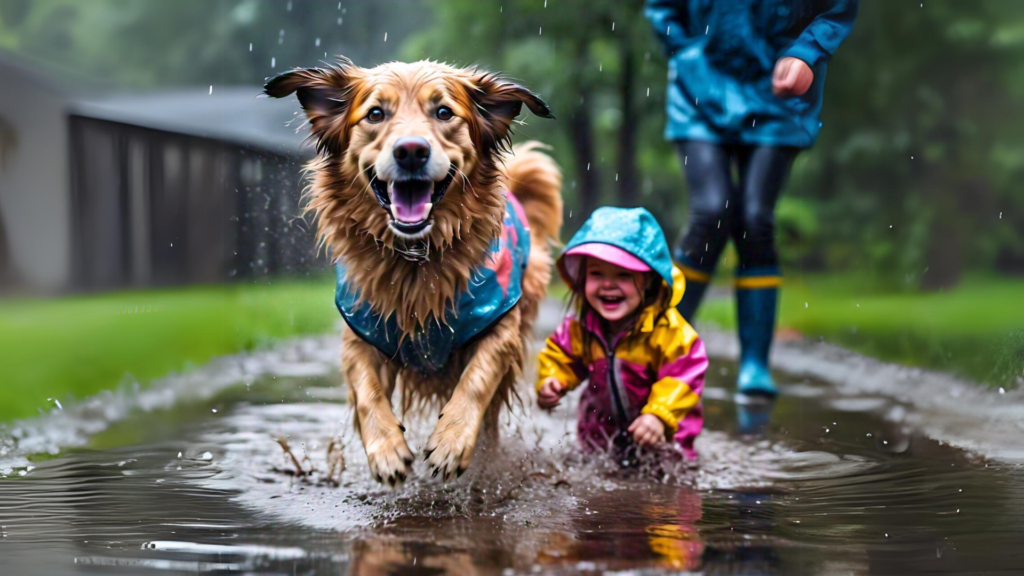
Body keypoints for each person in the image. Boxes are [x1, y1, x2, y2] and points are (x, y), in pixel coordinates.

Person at [644, 1, 858, 396]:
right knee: (711, 211)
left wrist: (808, 52)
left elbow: (837, 7)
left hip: (779, 94)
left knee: (755, 219)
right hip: (699, 87)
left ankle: (755, 364)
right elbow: (662, 8)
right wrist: (687, 51)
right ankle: (658, 349)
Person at [536, 207, 709, 460]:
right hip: (600, 437)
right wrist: (551, 380)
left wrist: (659, 415)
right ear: (582, 276)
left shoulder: (668, 331)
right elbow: (559, 355)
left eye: (623, 274)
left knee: (669, 490)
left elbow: (684, 374)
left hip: (664, 437)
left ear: (649, 279)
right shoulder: (580, 327)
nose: (608, 284)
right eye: (596, 273)